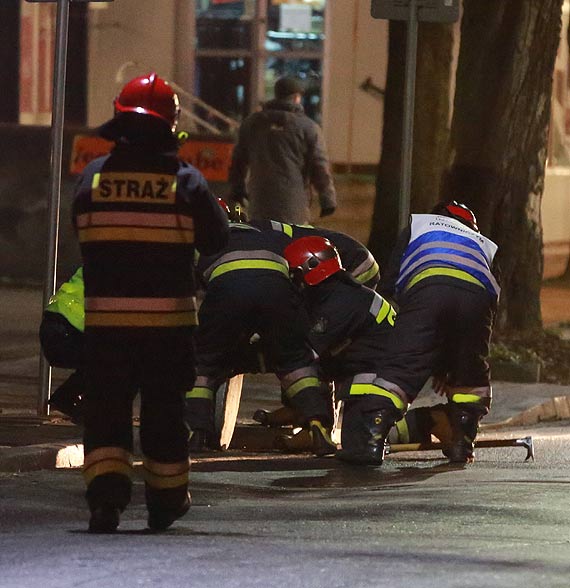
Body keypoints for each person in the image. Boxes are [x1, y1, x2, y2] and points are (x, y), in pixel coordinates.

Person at [72, 72, 229, 533]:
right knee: (164, 414)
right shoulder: (187, 182)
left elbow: (83, 234)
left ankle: (105, 500)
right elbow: (216, 239)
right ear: (169, 125)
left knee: (106, 414)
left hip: (106, 327)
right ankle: (165, 500)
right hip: (167, 328)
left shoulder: (93, 178)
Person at [185, 219, 335, 457]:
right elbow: (298, 279)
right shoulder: (272, 235)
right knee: (295, 362)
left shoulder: (202, 241)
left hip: (227, 292)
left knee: (203, 362)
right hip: (276, 291)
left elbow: (188, 290)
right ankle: (317, 424)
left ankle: (196, 432)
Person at [377, 201, 500, 464]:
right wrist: (452, 366)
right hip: (477, 300)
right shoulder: (483, 243)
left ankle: (369, 439)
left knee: (401, 367)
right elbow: (478, 317)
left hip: (427, 291)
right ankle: (462, 440)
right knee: (471, 373)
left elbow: (390, 286)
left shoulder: (419, 226)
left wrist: (402, 340)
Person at [284, 235, 401, 465]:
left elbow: (308, 351)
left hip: (374, 377)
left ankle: (425, 424)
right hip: (379, 370)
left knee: (358, 445)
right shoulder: (341, 293)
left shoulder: (339, 304)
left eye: (294, 274)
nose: (292, 281)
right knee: (355, 439)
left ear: (311, 269)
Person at [229, 76, 337, 224]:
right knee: (290, 241)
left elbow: (238, 161)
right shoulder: (308, 127)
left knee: (263, 241)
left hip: (259, 202)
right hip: (293, 204)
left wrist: (237, 189)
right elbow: (320, 166)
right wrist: (327, 199)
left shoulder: (252, 123)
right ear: (296, 98)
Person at [39, 267, 85, 423]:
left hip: (53, 330)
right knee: (117, 359)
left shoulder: (100, 257)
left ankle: (67, 399)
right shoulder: (122, 270)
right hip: (65, 333)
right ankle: (86, 407)